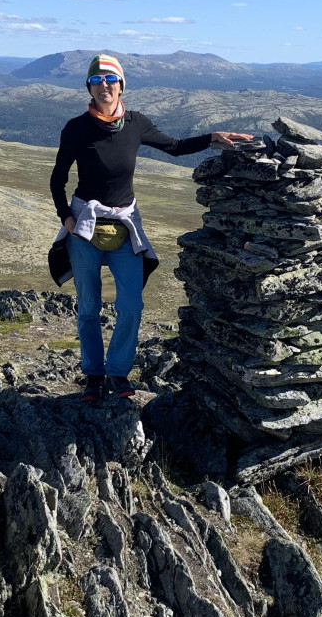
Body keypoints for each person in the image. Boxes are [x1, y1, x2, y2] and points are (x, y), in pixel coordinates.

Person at [48, 53, 252, 402]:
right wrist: (65, 216)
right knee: (89, 306)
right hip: (85, 225)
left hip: (125, 222)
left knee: (131, 304)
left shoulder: (137, 123)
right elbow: (58, 178)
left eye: (110, 79)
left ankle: (118, 373)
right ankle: (94, 376)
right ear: (89, 88)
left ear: (121, 85)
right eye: (96, 81)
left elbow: (175, 147)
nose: (103, 86)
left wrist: (213, 138)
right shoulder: (76, 128)